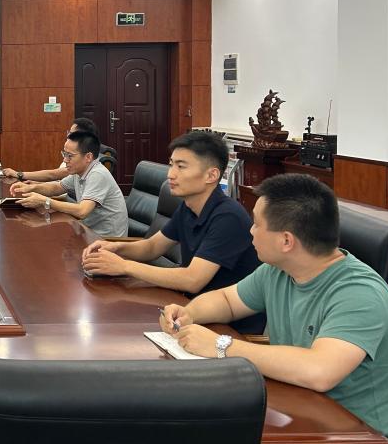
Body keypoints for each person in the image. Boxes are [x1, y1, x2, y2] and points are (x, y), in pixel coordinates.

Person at [161, 174, 388, 444]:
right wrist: (189, 314)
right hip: (299, 410)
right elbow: (227, 300)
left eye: (257, 224)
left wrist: (220, 345)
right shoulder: (278, 270)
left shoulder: (360, 294)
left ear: (286, 241)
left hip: (363, 442)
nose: (250, 231)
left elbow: (320, 370)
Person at [81, 131, 265, 333]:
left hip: (228, 329)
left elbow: (192, 280)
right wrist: (116, 247)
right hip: (190, 312)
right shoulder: (188, 207)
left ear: (211, 175)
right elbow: (152, 247)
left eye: (181, 166)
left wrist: (124, 266)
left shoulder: (228, 217)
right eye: (171, 165)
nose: (170, 174)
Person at [13, 130, 128, 238]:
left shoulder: (98, 174)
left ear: (88, 157)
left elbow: (82, 211)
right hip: (88, 233)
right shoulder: (79, 171)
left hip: (107, 241)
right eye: (64, 154)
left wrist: (45, 201)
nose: (65, 160)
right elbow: (57, 187)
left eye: (70, 156)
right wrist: (31, 188)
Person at [4, 118, 103, 194]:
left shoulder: (92, 171)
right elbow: (58, 186)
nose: (65, 160)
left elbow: (53, 175)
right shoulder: (77, 169)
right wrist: (35, 186)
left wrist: (19, 174)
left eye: (72, 134)